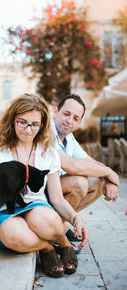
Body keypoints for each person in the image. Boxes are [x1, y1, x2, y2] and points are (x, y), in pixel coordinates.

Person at [0, 93, 88, 278]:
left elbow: (56, 198)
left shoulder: (48, 153)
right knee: (14, 232)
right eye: (22, 122)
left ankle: (64, 243)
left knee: (45, 219)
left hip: (36, 208)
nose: (28, 130)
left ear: (42, 125)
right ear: (13, 119)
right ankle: (46, 247)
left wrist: (75, 218)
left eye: (34, 124)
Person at [51, 94, 119, 242]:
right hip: (40, 194)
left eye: (76, 118)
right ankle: (53, 230)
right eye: (66, 114)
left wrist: (108, 178)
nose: (69, 121)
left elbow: (91, 163)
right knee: (79, 183)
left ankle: (58, 225)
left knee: (98, 180)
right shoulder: (47, 132)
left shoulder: (69, 137)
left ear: (80, 122)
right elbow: (71, 166)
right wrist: (109, 172)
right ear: (55, 112)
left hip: (55, 194)